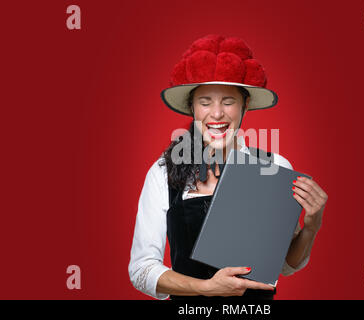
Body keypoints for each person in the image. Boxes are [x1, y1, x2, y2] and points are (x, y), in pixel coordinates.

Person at [128, 34, 328, 300]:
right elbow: (141, 269)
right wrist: (206, 288)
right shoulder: (162, 173)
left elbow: (285, 266)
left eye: (228, 101)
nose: (217, 114)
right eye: (205, 102)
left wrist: (311, 227)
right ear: (192, 108)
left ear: (245, 105)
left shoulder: (274, 167)